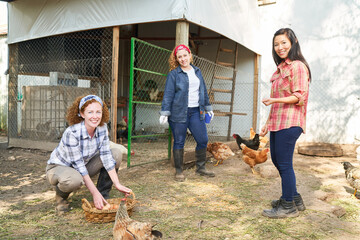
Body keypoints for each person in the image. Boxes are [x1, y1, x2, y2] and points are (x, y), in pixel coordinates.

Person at [45, 95, 132, 214]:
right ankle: (61, 198)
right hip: (59, 168)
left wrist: (117, 184)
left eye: (98, 112)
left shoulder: (102, 128)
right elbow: (79, 166)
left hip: (83, 166)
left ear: (103, 113)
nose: (95, 116)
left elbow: (106, 157)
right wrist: (93, 192)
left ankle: (103, 195)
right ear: (82, 113)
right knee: (74, 179)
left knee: (115, 154)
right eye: (90, 112)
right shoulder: (72, 132)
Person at [260, 28, 311, 218]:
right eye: (276, 44)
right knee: (277, 160)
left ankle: (288, 206)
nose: (280, 47)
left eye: (283, 43)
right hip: (278, 121)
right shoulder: (281, 68)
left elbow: (300, 97)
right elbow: (276, 98)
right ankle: (294, 198)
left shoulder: (297, 66)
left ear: (293, 41)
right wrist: (267, 122)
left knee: (284, 163)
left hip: (291, 122)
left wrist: (274, 101)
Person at [159, 44, 215, 182]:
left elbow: (203, 90)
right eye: (180, 57)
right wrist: (165, 112)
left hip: (196, 111)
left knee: (203, 139)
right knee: (179, 141)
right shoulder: (174, 74)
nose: (183, 59)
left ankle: (200, 168)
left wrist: (208, 108)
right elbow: (168, 94)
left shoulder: (197, 71)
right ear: (176, 59)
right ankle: (179, 171)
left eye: (185, 55)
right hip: (178, 113)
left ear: (190, 55)